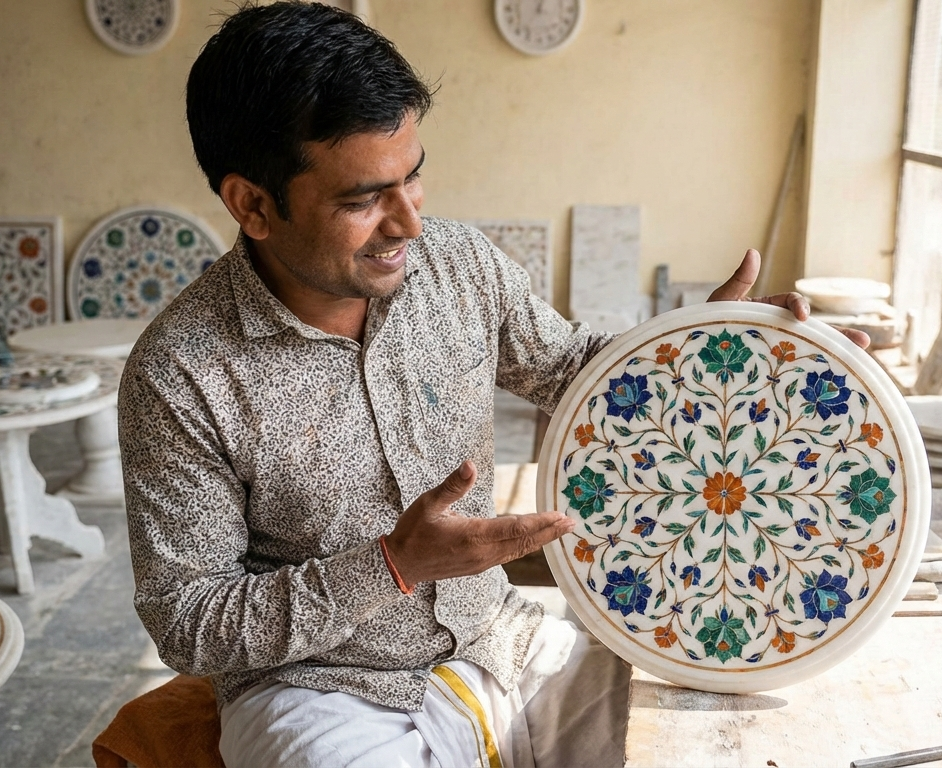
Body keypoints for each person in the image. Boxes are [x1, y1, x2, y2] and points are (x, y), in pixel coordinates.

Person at [117, 3, 868, 767]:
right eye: (363, 199)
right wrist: (391, 565)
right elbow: (190, 620)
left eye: (412, 178)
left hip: (500, 642)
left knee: (697, 738)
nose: (409, 224)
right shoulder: (181, 373)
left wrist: (695, 349)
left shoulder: (459, 267)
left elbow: (573, 371)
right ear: (253, 204)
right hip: (317, 693)